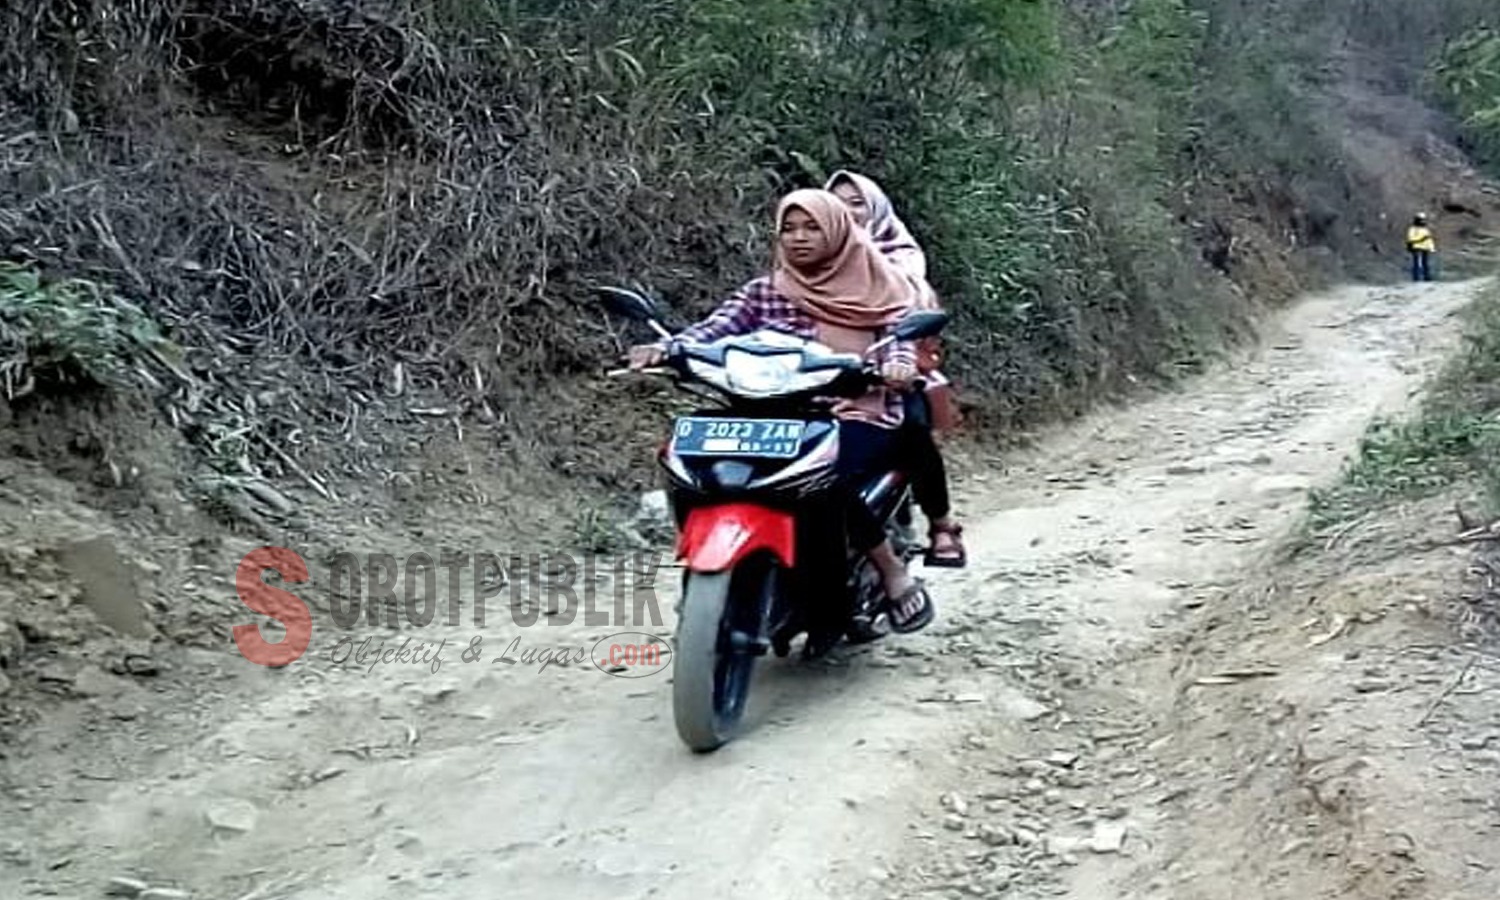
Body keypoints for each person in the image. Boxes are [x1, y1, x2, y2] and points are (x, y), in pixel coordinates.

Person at [628, 189, 936, 642]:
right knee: (692, 461)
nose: (799, 238)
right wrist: (666, 348)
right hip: (767, 416)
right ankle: (712, 570)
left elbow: (898, 338)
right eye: (789, 229)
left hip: (853, 411)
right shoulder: (766, 290)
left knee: (828, 478)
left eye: (812, 227)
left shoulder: (877, 285)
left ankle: (890, 570)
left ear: (838, 231)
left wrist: (898, 365)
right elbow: (712, 330)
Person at [825, 169, 967, 568]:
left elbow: (905, 312)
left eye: (857, 204)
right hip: (823, 379)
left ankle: (941, 524)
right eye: (837, 204)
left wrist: (895, 361)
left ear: (876, 211)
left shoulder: (898, 263)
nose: (847, 213)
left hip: (896, 374)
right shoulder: (810, 258)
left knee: (912, 433)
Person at [1406, 213, 1436, 282]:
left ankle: (1427, 277)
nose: (1422, 222)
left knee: (1425, 263)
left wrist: (1432, 247)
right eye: (1421, 220)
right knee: (1417, 263)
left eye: (1423, 220)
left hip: (1425, 248)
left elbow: (1429, 239)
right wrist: (1421, 239)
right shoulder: (1413, 229)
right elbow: (1411, 239)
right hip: (1416, 247)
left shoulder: (1425, 229)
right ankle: (1416, 277)